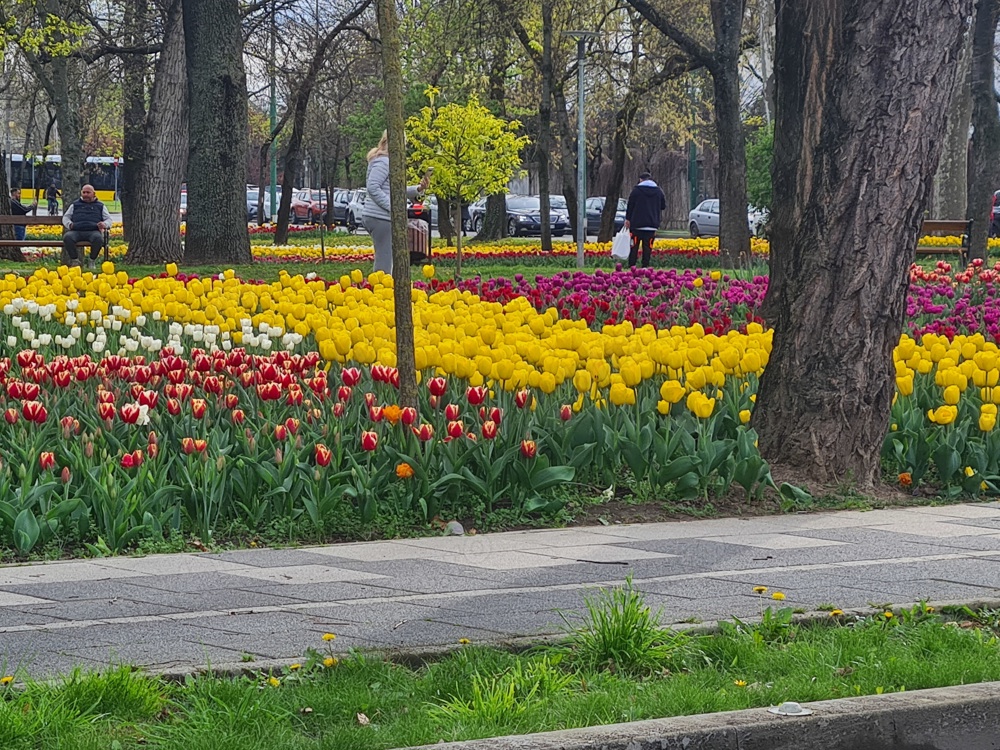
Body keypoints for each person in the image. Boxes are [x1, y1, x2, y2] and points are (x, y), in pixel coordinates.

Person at [362, 130, 430, 274]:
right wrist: (393, 208)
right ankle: (381, 292)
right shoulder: (384, 162)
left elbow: (396, 190)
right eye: (404, 143)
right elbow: (373, 187)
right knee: (384, 260)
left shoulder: (385, 161)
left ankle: (385, 289)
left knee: (387, 258)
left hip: (380, 216)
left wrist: (418, 188)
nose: (404, 148)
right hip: (381, 217)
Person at [62, 184, 112, 269]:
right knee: (67, 237)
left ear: (94, 193)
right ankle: (75, 260)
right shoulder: (75, 205)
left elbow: (109, 219)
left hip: (93, 231)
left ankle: (92, 261)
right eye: (83, 192)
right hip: (76, 231)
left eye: (88, 192)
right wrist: (69, 224)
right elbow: (66, 217)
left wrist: (104, 224)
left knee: (98, 239)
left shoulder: (100, 206)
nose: (85, 194)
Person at [624, 171, 666, 268]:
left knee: (634, 246)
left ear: (640, 180)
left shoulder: (636, 190)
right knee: (648, 247)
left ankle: (632, 265)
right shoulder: (658, 191)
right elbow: (663, 206)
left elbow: (630, 206)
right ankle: (645, 266)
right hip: (651, 225)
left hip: (636, 225)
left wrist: (628, 219)